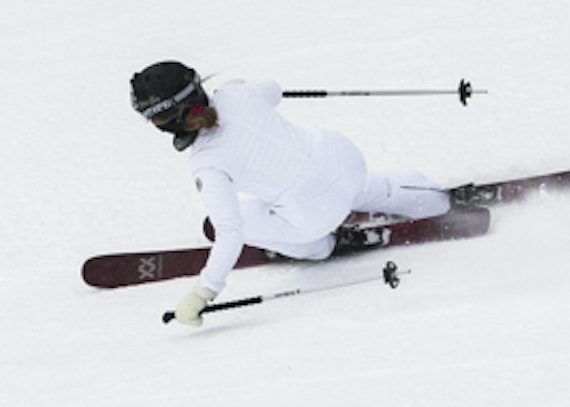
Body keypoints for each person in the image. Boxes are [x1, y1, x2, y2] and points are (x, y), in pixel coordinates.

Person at [129, 63, 451, 323]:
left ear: (164, 122)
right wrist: (240, 88)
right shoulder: (233, 96)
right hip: (343, 157)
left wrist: (203, 293)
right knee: (363, 187)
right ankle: (433, 197)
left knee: (226, 221)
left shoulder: (205, 163)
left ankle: (318, 247)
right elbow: (273, 89)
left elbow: (230, 232)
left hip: (315, 213)